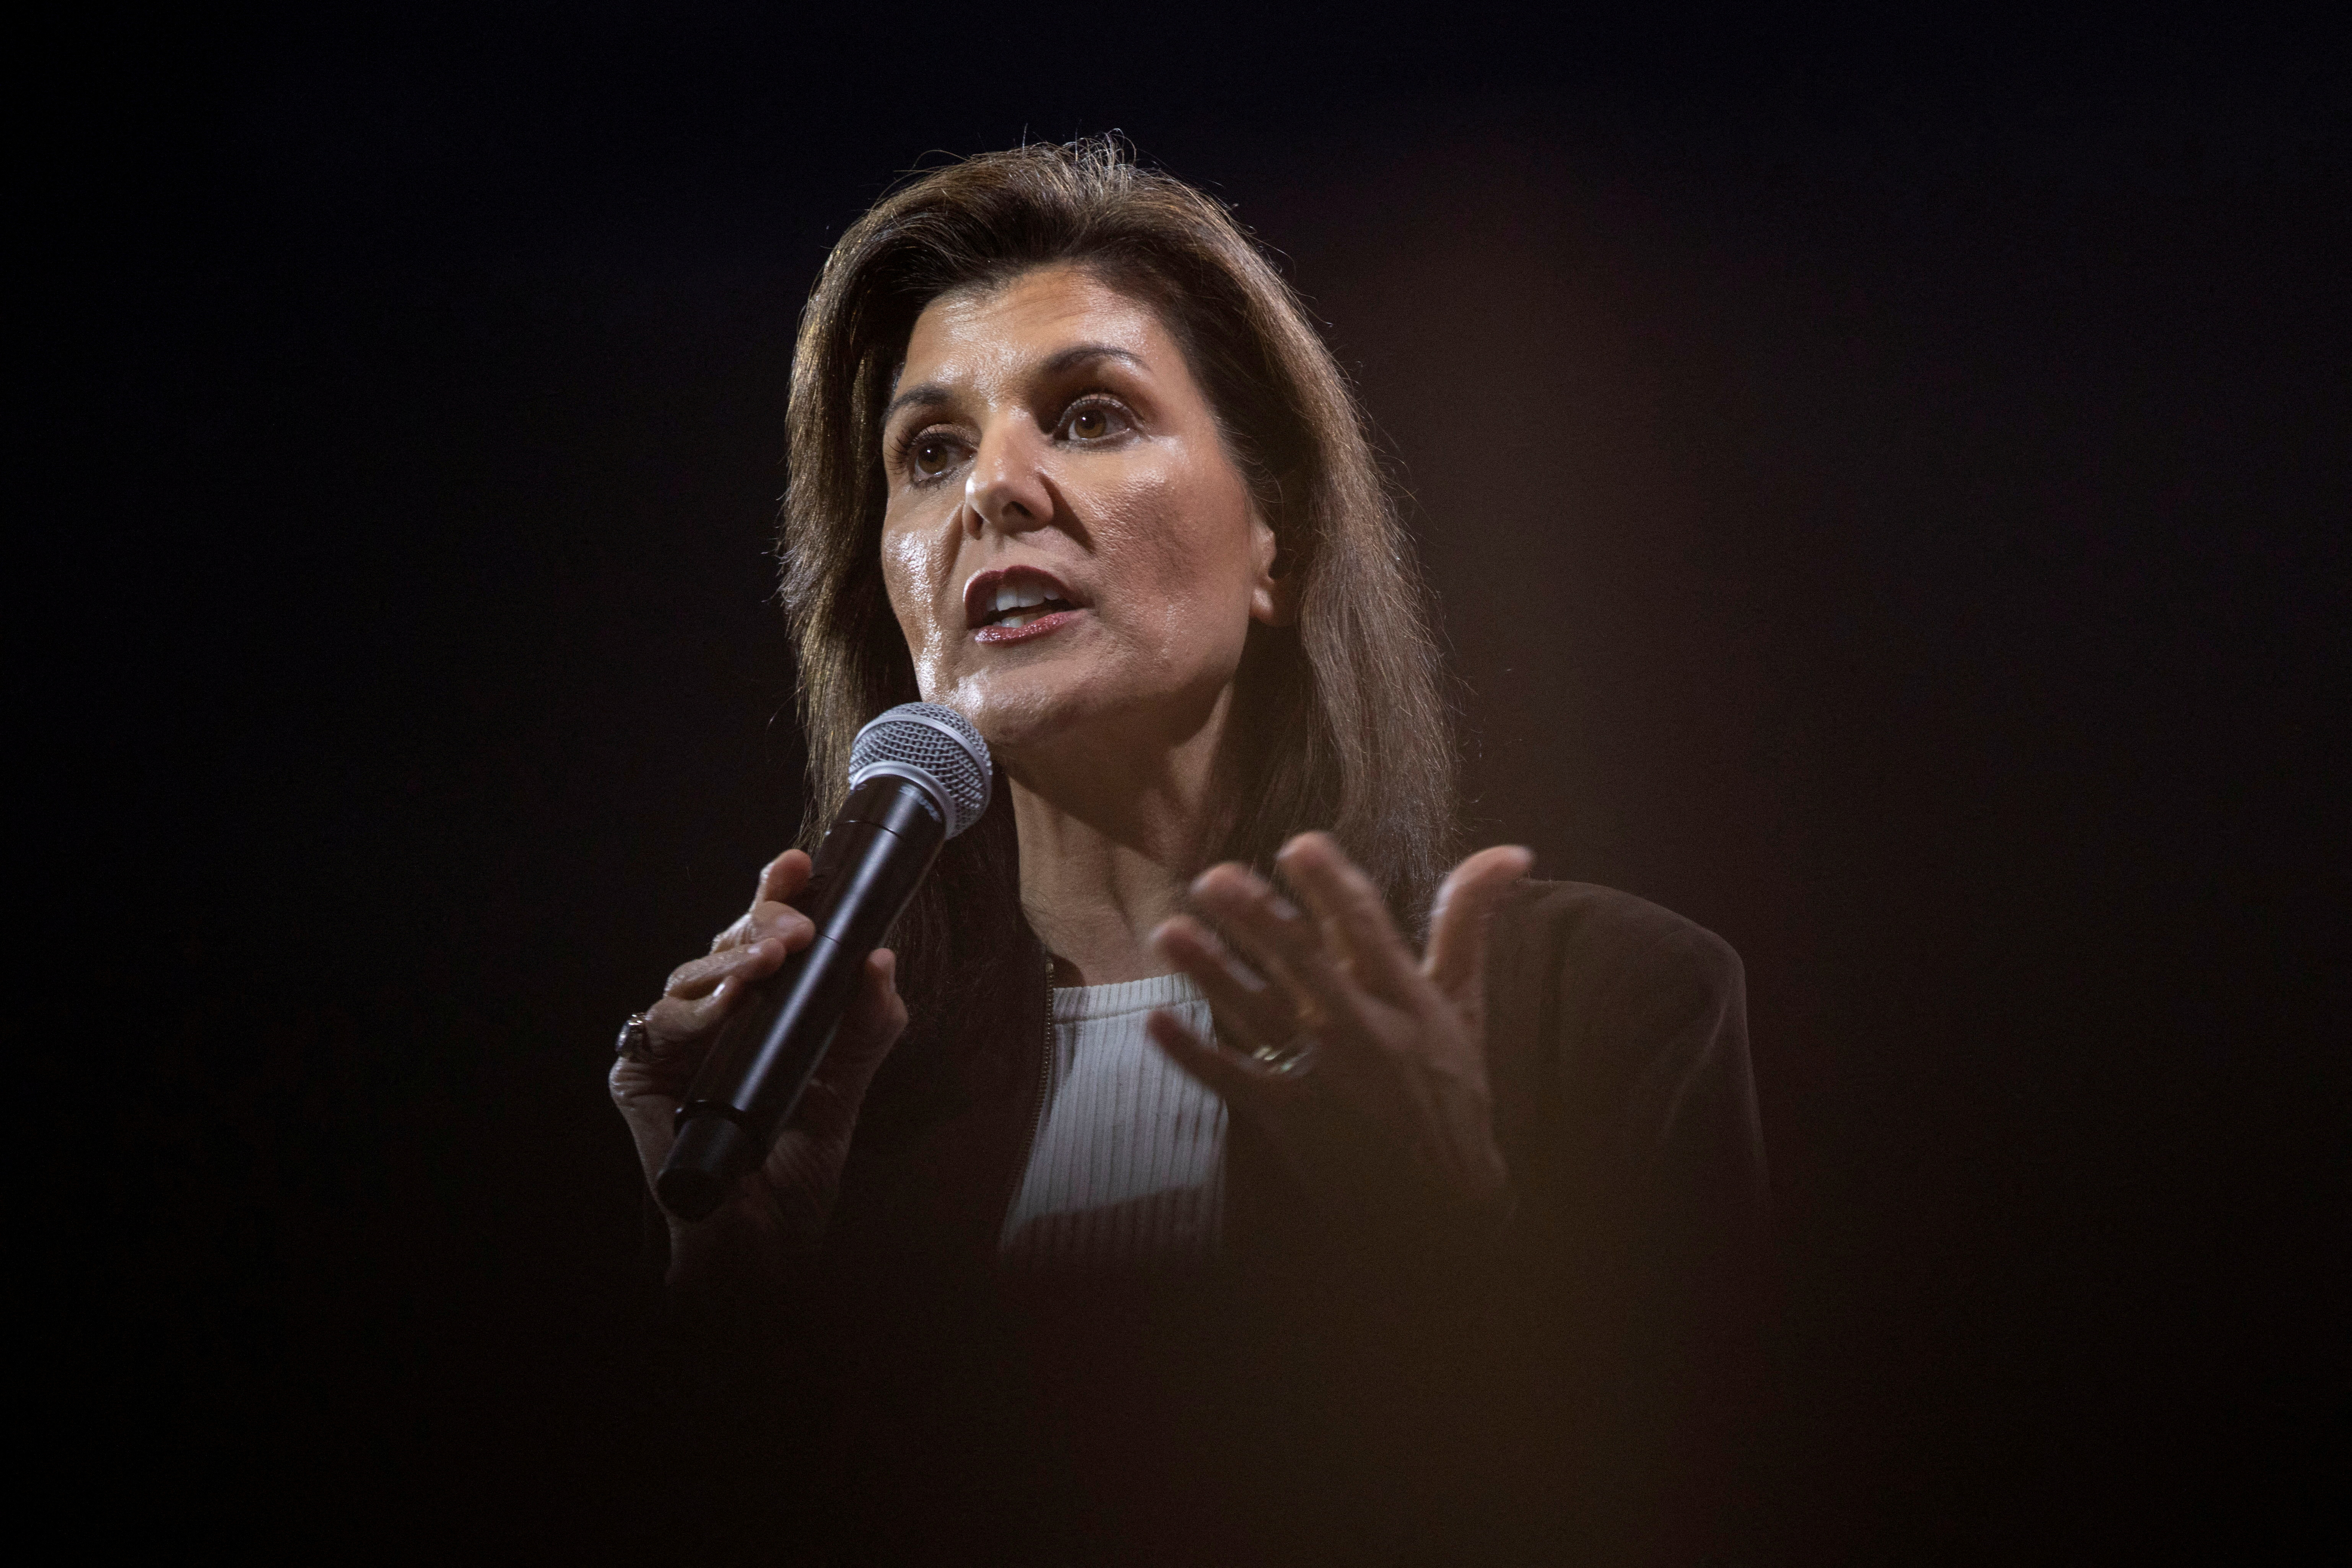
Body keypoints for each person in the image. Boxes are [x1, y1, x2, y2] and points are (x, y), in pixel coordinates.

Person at [610, 138, 1768, 1564]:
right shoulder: (836, 1113)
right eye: (930, 453)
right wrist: (737, 1308)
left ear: (1279, 536)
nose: (993, 490)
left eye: (1090, 415)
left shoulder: (1611, 1009)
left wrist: (1443, 1247)